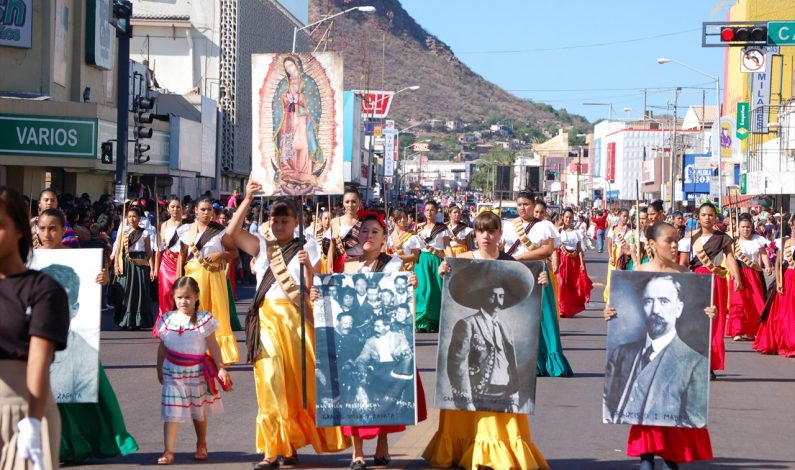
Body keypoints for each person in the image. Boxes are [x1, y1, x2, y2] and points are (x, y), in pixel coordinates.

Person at [227, 177, 348, 469]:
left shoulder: (309, 249)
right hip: (268, 320)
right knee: (270, 381)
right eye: (275, 220)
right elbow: (231, 235)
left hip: (296, 321)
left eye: (284, 220)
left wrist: (308, 265)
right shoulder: (261, 247)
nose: (278, 225)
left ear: (296, 221)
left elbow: (312, 288)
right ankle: (271, 449)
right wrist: (246, 200)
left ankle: (290, 443)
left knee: (296, 387)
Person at [424, 211, 549, 470]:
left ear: (499, 235)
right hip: (473, 370)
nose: (486, 236)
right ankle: (460, 446)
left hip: (501, 379)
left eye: (491, 231)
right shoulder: (462, 260)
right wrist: (443, 270)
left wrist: (541, 281)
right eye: (481, 231)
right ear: (475, 233)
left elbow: (528, 296)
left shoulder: (511, 264)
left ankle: (495, 453)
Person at [605, 222, 715, 470]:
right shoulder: (637, 272)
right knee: (646, 453)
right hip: (641, 386)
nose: (675, 246)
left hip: (675, 383)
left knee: (671, 451)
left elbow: (698, 315)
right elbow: (618, 312)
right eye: (669, 241)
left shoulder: (686, 276)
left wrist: (708, 312)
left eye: (677, 240)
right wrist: (610, 312)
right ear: (652, 245)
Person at [0, 186, 70, 470]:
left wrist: (32, 420)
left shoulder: (43, 289)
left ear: (19, 229)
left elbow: (37, 364)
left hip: (22, 409)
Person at [603, 274, 708, 427]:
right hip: (638, 437)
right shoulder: (621, 354)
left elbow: (695, 421)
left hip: (669, 440)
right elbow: (608, 401)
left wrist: (713, 314)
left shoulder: (695, 363)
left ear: (678, 309)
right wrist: (608, 313)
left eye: (664, 301)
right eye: (648, 301)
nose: (655, 310)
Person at [155, 276, 232, 464]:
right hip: (172, 372)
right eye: (180, 297)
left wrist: (220, 368)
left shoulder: (205, 320)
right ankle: (168, 451)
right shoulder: (167, 320)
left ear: (196, 296)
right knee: (172, 411)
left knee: (199, 412)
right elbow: (162, 346)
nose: (183, 301)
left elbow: (213, 345)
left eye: (188, 297)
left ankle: (201, 444)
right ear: (173, 297)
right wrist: (158, 368)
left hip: (197, 373)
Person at [501, 194, 572, 377]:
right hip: (514, 273)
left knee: (543, 316)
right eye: (519, 205)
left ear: (533, 205)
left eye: (526, 204)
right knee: (516, 317)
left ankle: (549, 361)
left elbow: (548, 250)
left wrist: (520, 257)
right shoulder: (509, 226)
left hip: (537, 273)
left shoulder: (544, 226)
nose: (522, 208)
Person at [678, 202, 743, 379]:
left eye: (711, 215)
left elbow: (730, 258)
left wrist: (737, 277)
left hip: (717, 280)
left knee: (715, 323)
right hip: (696, 281)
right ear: (698, 217)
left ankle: (709, 363)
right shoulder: (688, 239)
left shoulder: (723, 238)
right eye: (704, 214)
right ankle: (694, 361)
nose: (707, 217)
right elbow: (683, 264)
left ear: (716, 217)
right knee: (695, 322)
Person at [177, 196, 240, 365]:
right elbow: (182, 257)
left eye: (209, 209)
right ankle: (192, 350)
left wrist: (220, 254)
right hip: (193, 277)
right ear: (195, 211)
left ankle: (219, 353)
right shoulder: (186, 230)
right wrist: (178, 282)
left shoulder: (219, 231)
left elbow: (234, 253)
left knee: (216, 314)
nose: (206, 213)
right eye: (203, 209)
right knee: (194, 312)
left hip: (214, 277)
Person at [272, 55, 325, 188]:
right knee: (287, 145)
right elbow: (276, 102)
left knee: (301, 145)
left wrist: (300, 99)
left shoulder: (308, 82)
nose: (289, 70)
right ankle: (289, 171)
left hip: (302, 118)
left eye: (291, 66)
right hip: (287, 119)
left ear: (298, 65)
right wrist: (285, 99)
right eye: (286, 68)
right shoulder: (283, 83)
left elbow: (314, 102)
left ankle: (303, 173)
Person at [753, 213, 795, 357]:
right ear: (792, 225)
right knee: (785, 314)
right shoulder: (784, 242)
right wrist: (778, 282)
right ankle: (786, 341)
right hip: (787, 279)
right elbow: (777, 264)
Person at [728, 213, 771, 341]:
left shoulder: (757, 239)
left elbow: (763, 254)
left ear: (751, 226)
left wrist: (768, 266)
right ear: (738, 227)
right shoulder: (733, 240)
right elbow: (729, 258)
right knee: (738, 301)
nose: (745, 229)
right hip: (738, 272)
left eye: (748, 227)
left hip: (753, 273)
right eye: (743, 227)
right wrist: (732, 273)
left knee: (755, 301)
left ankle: (755, 330)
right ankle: (737, 330)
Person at [111, 205, 155, 330]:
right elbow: (119, 250)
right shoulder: (123, 232)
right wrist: (115, 265)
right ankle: (124, 320)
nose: (132, 219)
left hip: (140, 265)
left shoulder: (144, 232)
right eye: (129, 217)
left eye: (134, 216)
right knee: (124, 293)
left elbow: (149, 252)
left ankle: (137, 321)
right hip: (126, 265)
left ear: (139, 218)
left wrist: (152, 269)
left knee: (139, 293)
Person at [414, 200, 453, 333]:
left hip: (436, 261)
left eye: (432, 210)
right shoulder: (419, 228)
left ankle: (435, 321)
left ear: (436, 212)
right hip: (422, 261)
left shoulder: (442, 229)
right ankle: (421, 321)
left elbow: (447, 247)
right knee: (421, 290)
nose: (429, 212)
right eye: (427, 210)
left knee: (435, 290)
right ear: (423, 212)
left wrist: (451, 260)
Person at [557, 208, 593, 318]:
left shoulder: (577, 232)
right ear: (563, 217)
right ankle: (561, 308)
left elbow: (579, 249)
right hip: (562, 260)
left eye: (571, 217)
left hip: (573, 261)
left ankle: (570, 308)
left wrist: (582, 263)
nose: (568, 219)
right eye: (566, 217)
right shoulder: (558, 231)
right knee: (561, 284)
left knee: (572, 285)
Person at [154, 196, 183, 325]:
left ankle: (180, 323)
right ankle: (164, 324)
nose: (175, 209)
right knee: (165, 293)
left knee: (181, 294)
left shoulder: (186, 225)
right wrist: (155, 268)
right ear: (168, 208)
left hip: (181, 262)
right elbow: (159, 248)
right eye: (172, 206)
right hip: (166, 263)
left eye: (178, 207)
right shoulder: (163, 225)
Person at [324, 188, 362, 273]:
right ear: (343, 202)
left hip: (361, 263)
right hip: (341, 264)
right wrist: (329, 268)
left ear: (359, 202)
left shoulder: (365, 221)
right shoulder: (335, 222)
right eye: (347, 202)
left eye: (354, 201)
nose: (350, 205)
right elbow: (332, 248)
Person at [604, 209, 633, 304]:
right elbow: (609, 244)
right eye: (624, 216)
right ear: (619, 216)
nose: (625, 218)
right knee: (612, 276)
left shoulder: (631, 230)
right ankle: (610, 299)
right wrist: (610, 256)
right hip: (616, 254)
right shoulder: (614, 229)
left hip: (626, 255)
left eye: (627, 216)